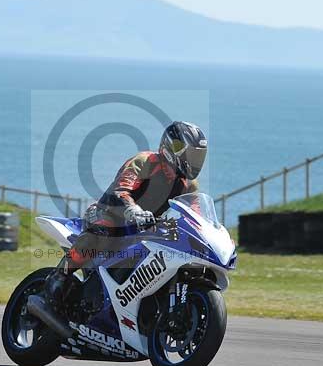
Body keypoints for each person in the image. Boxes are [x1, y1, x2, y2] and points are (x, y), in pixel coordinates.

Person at [43, 121, 208, 309]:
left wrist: (205, 233)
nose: (194, 161)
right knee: (103, 230)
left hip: (145, 229)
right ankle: (59, 276)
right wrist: (134, 210)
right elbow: (120, 190)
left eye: (198, 156)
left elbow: (194, 216)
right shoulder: (146, 161)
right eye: (191, 154)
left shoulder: (189, 185)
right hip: (109, 213)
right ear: (173, 148)